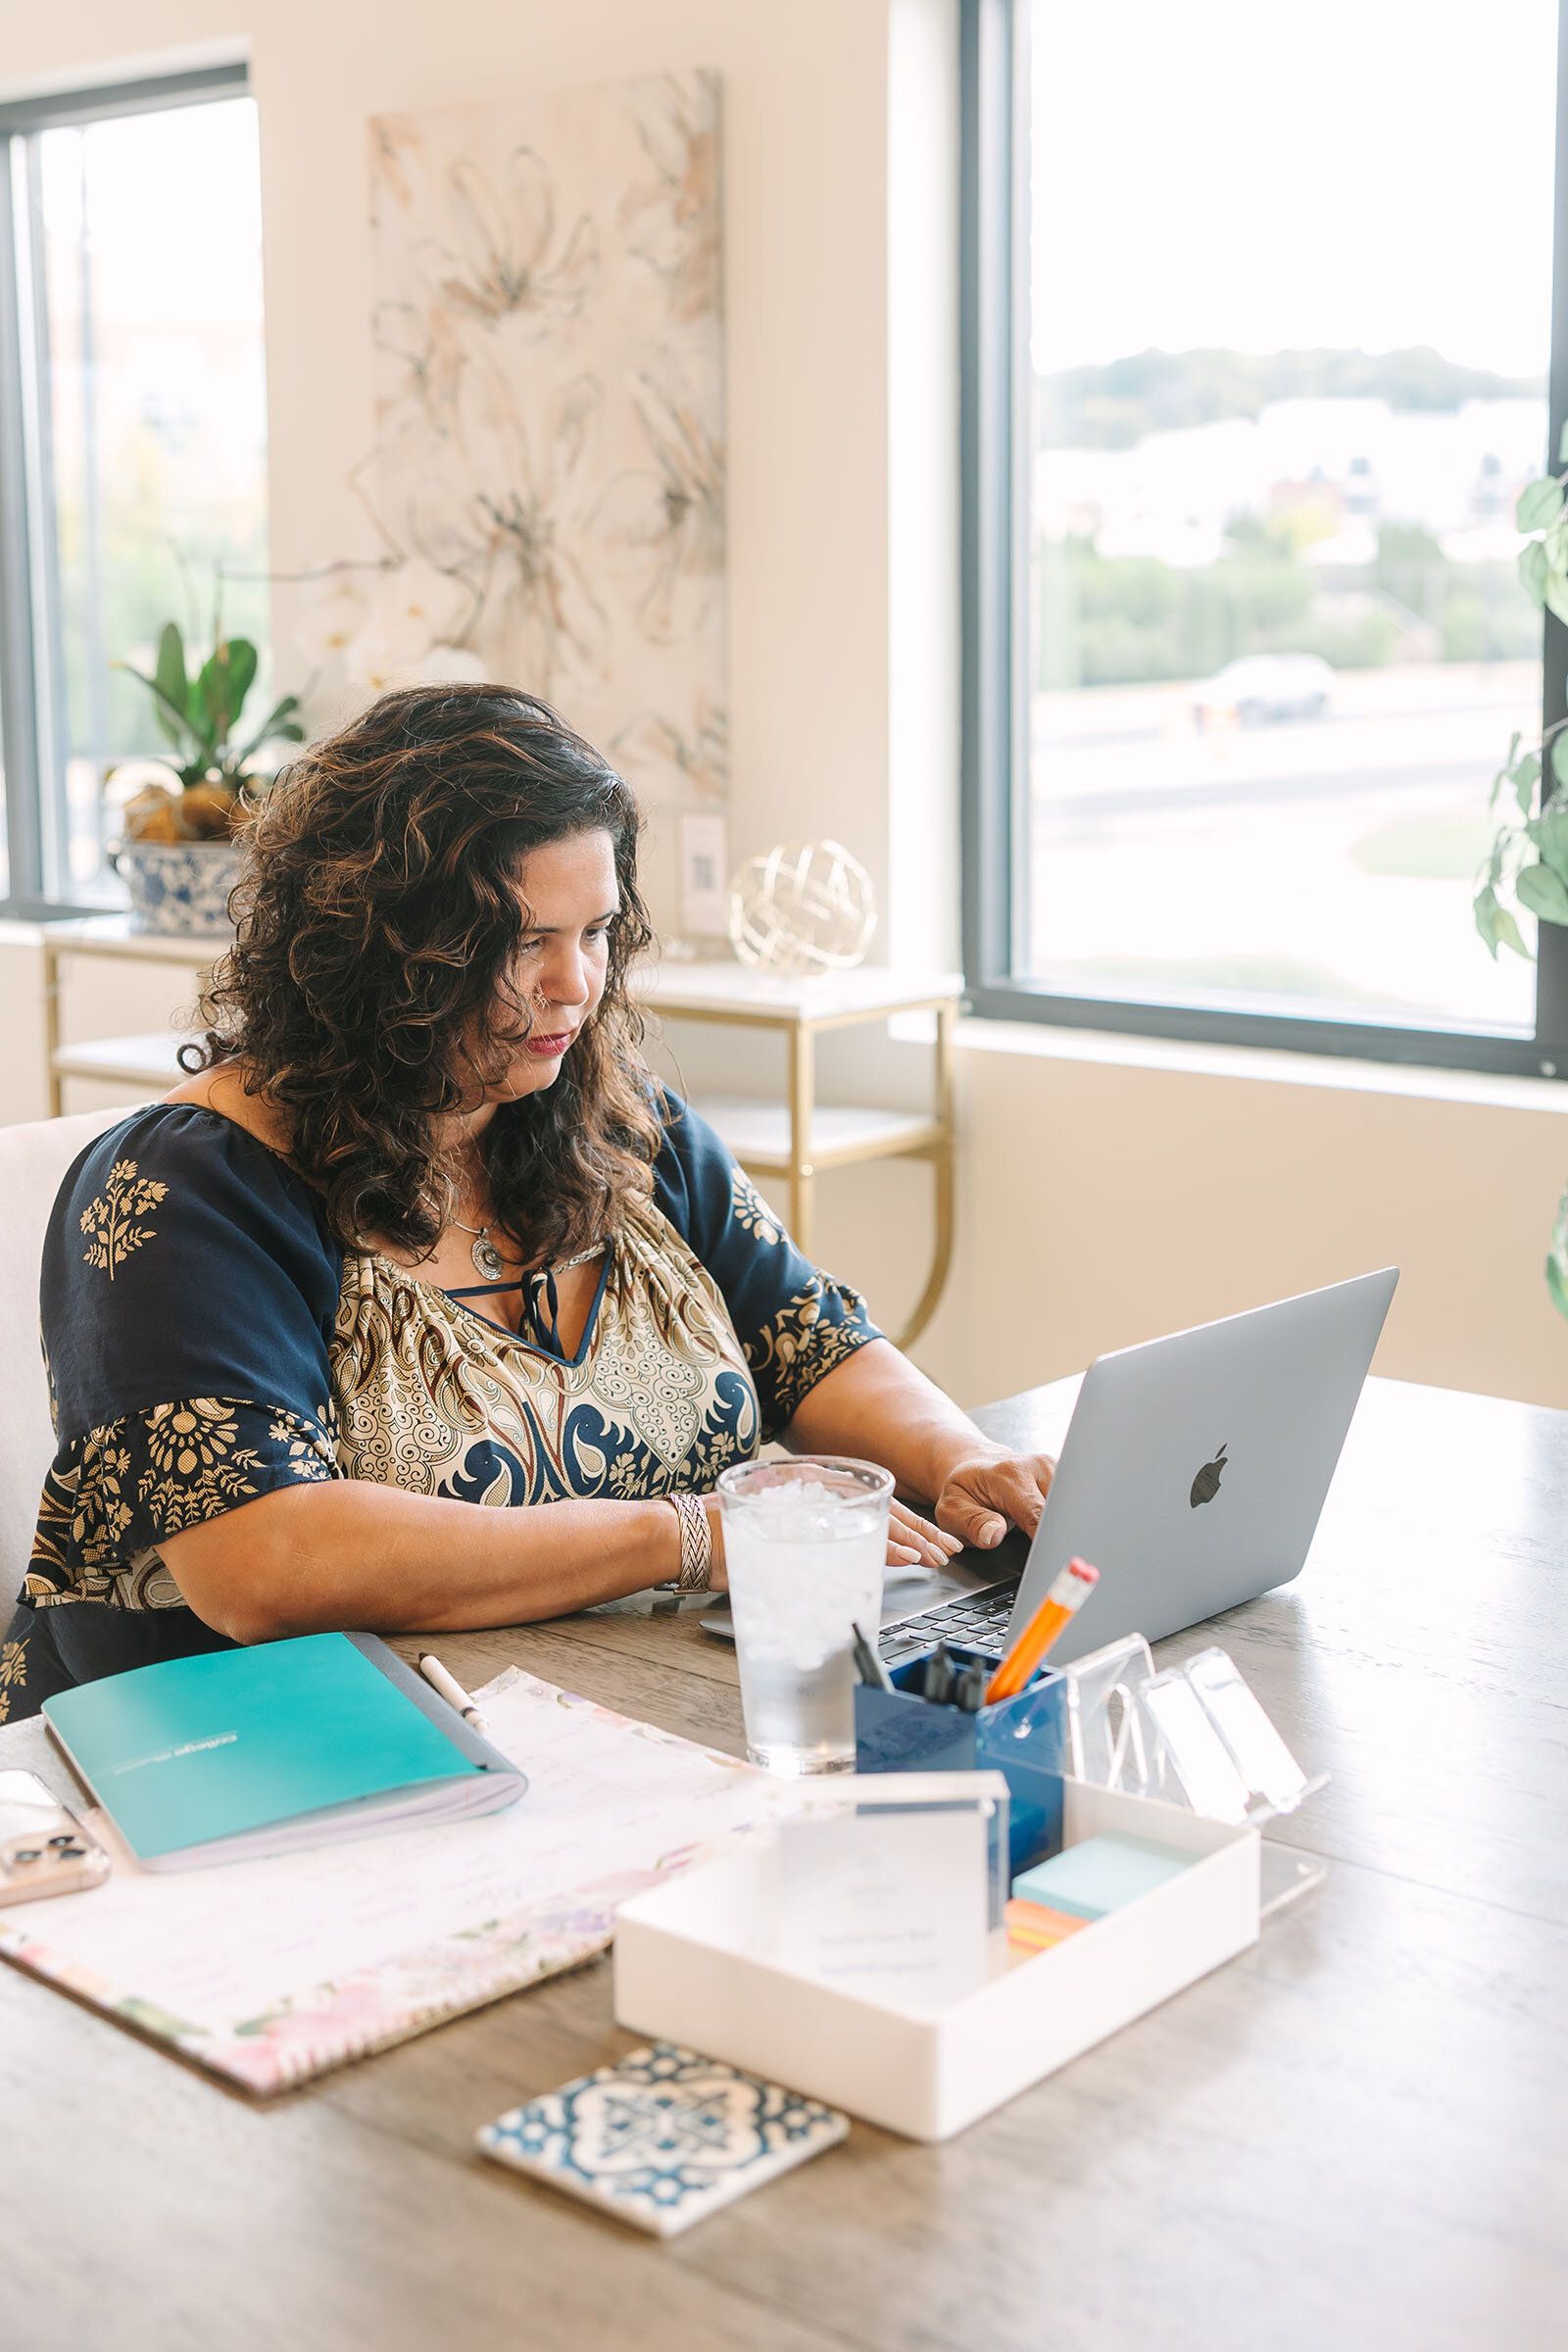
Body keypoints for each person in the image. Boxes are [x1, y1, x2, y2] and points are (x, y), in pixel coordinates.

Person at [0, 686, 1054, 1724]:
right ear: (375, 954)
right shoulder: (190, 1192)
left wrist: (957, 1458)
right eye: (520, 943)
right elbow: (262, 1563)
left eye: (596, 931)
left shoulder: (625, 1126)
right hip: (261, 1769)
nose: (575, 985)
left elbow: (810, 1341)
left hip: (611, 1720)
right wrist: (686, 1537)